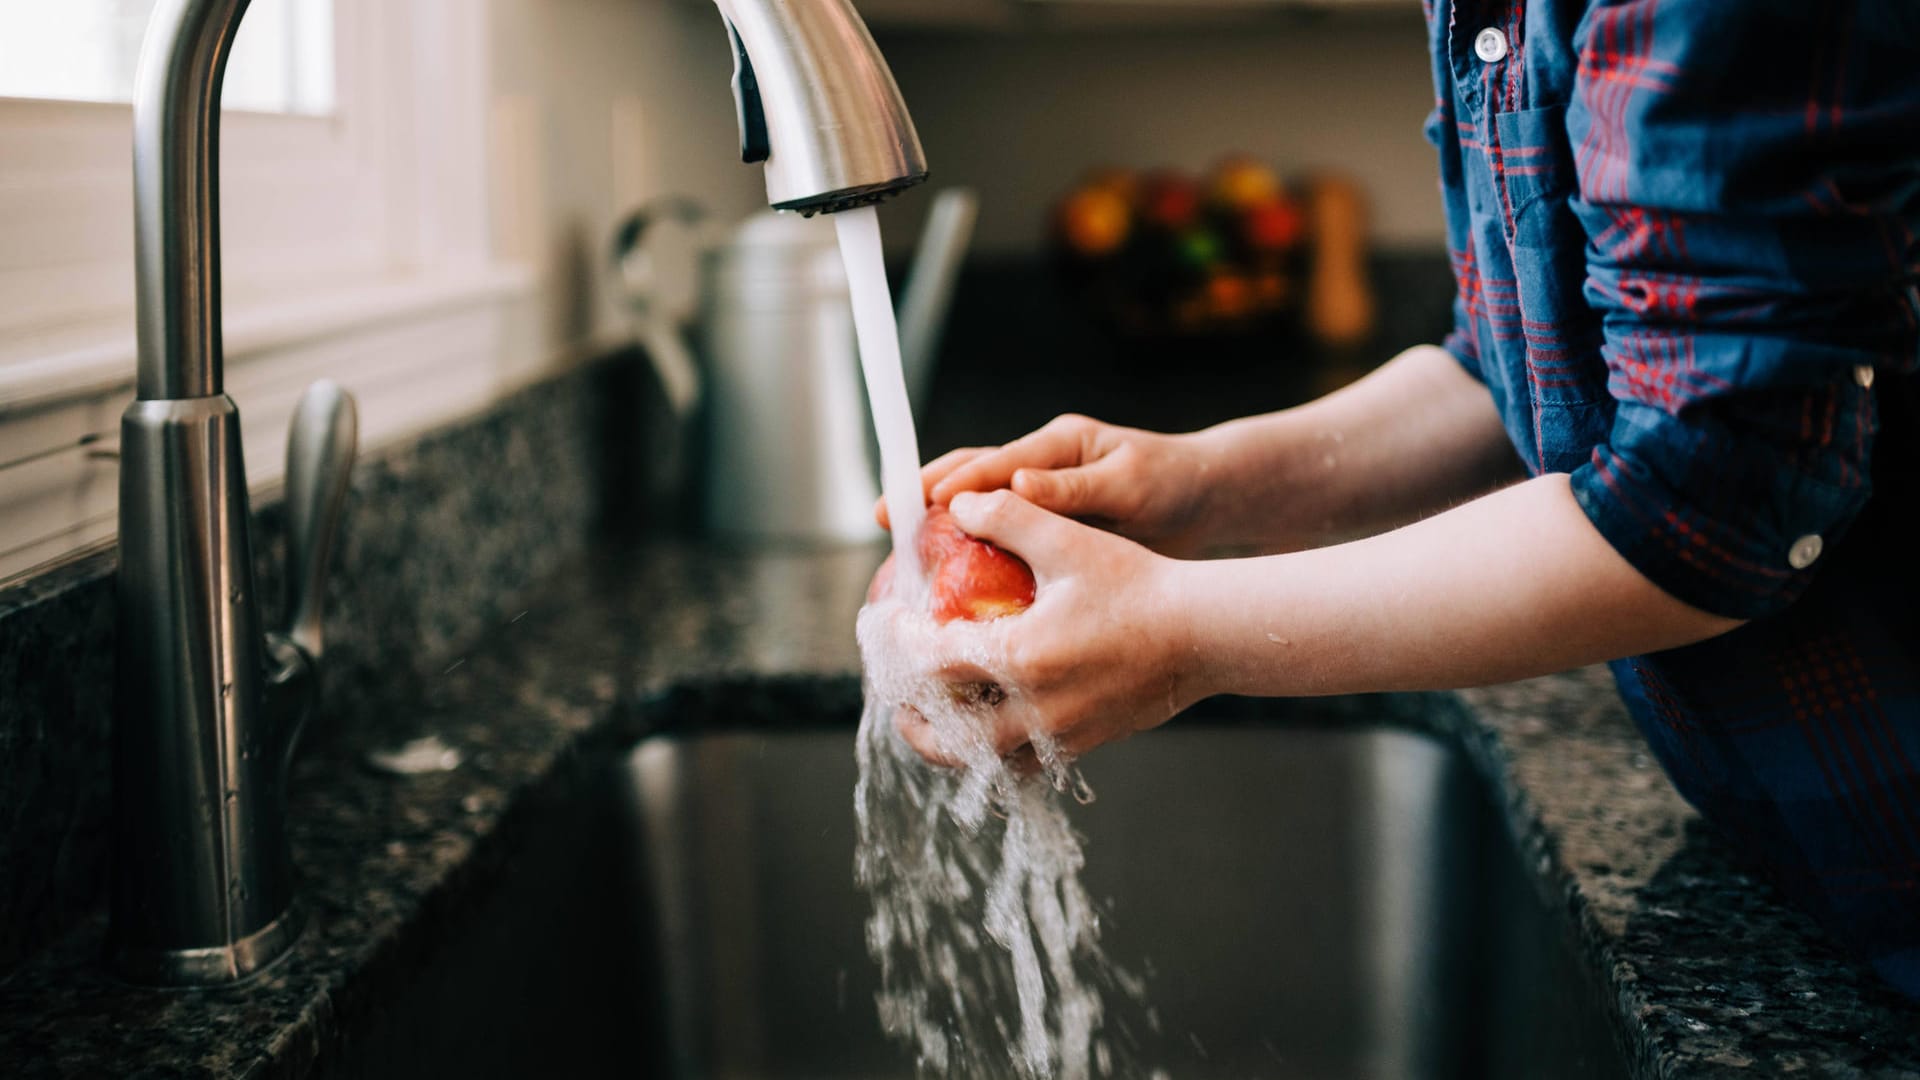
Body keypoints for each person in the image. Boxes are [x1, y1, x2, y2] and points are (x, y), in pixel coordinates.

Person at [880, 2, 1920, 999]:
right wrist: (1196, 482)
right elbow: (1522, 368)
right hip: (1811, 858)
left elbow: (1706, 496)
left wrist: (1178, 633)